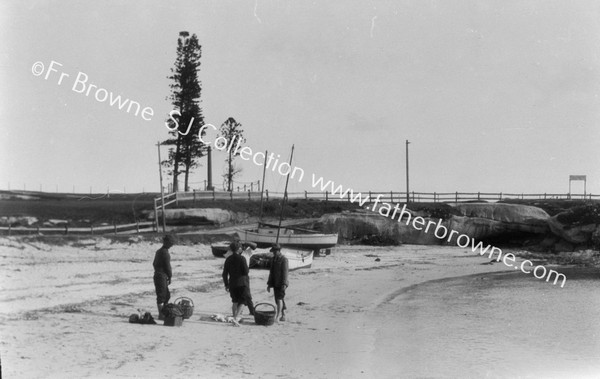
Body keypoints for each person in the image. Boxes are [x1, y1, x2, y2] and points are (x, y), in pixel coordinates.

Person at [222, 241, 255, 322]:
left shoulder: (228, 259)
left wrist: (226, 284)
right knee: (243, 301)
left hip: (232, 283)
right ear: (238, 249)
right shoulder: (242, 258)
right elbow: (246, 271)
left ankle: (234, 316)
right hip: (242, 283)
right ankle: (236, 317)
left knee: (235, 301)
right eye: (240, 247)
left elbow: (224, 274)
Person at [153, 234, 174, 320]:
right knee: (162, 296)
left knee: (166, 295)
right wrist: (170, 276)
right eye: (170, 243)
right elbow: (168, 267)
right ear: (166, 242)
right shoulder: (165, 253)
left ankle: (163, 313)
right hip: (161, 275)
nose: (171, 245)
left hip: (158, 274)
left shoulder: (159, 251)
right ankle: (161, 315)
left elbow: (154, 263)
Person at [267, 243, 289, 322]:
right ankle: (283, 314)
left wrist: (284, 283)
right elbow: (271, 272)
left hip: (281, 282)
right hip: (275, 282)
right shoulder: (273, 259)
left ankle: (277, 316)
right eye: (273, 251)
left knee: (279, 299)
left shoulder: (284, 259)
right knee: (278, 299)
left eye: (275, 251)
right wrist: (269, 284)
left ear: (279, 251)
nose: (274, 253)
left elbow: (285, 272)